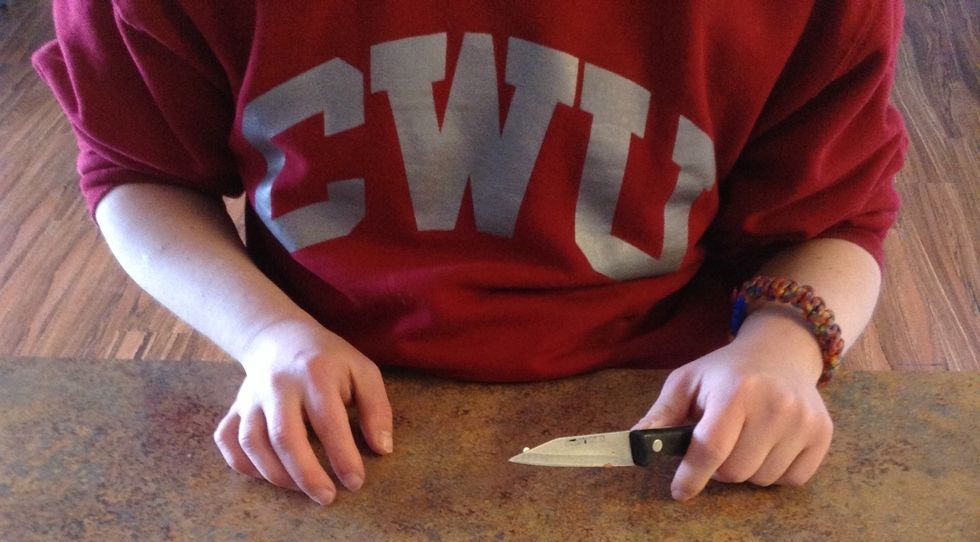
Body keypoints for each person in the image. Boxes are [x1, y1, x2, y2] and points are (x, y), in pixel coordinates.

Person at [34, 1, 907, 504]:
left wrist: (779, 350)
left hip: (664, 423)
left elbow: (831, 224)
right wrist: (267, 335)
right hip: (326, 397)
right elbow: (138, 171)